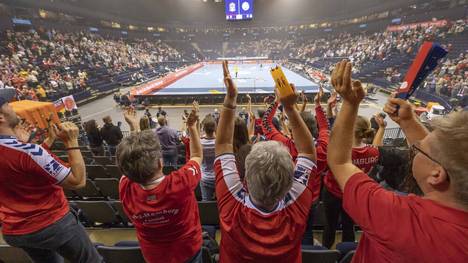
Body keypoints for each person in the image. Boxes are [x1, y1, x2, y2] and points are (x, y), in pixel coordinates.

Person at [327, 60, 468, 263]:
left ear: (437, 175)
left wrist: (350, 103)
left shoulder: (396, 216)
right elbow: (438, 158)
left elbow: (339, 161)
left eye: (419, 149)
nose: (415, 147)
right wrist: (408, 122)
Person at [215, 61, 319, 262]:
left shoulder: (231, 204)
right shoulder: (298, 203)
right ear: (290, 182)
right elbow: (307, 151)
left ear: (245, 177)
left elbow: (222, 145)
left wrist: (230, 100)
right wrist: (290, 108)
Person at [0, 88, 103, 263]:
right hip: (53, 224)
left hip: (15, 230)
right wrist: (71, 141)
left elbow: (18, 170)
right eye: (7, 104)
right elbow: (78, 181)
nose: (13, 107)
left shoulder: (27, 151)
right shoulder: (30, 152)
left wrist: (41, 144)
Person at [118, 108, 204, 263]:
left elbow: (128, 160)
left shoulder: (125, 188)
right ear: (160, 163)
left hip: (154, 256)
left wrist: (134, 127)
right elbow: (197, 156)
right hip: (187, 249)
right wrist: (192, 127)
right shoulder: (181, 182)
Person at [321, 114, 384, 248]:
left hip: (333, 193)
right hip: (354, 195)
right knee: (349, 226)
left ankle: (325, 253)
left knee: (330, 225)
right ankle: (347, 253)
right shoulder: (373, 152)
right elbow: (377, 146)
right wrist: (382, 128)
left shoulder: (341, 152)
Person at [200, 114, 216, 201]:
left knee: (205, 201)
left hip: (205, 178)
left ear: (204, 128)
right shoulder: (219, 143)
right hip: (218, 178)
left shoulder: (200, 143)